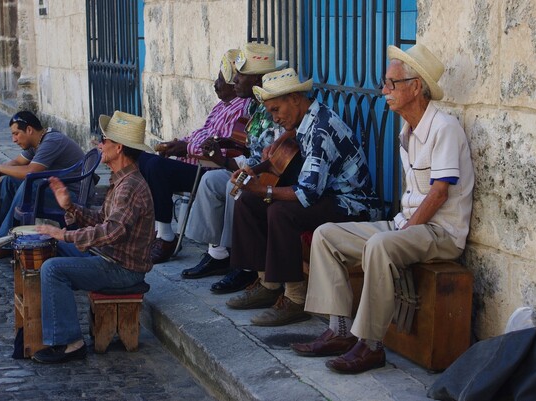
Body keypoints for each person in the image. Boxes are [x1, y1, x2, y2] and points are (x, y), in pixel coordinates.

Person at [290, 44, 474, 374]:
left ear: (416, 86)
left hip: (440, 233)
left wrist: (407, 229)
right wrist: (403, 227)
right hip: (410, 225)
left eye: (391, 83)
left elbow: (439, 194)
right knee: (326, 235)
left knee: (380, 244)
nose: (383, 90)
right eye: (384, 82)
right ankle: (340, 331)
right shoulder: (408, 131)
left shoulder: (444, 128)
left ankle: (372, 346)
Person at [222, 68, 380, 327]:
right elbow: (289, 149)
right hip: (328, 197)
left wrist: (264, 190)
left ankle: (295, 299)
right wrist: (257, 169)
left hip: (352, 204)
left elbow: (308, 193)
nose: (274, 119)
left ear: (295, 98)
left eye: (276, 110)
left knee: (280, 211)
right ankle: (268, 283)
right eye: (271, 112)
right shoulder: (306, 119)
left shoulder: (321, 130)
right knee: (248, 201)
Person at [31, 111, 155, 364]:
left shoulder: (130, 185)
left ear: (118, 148)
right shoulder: (122, 180)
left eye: (104, 140)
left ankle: (69, 342)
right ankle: (41, 327)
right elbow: (103, 220)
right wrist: (70, 208)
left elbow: (111, 232)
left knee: (53, 269)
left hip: (122, 269)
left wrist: (65, 234)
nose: (100, 145)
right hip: (109, 259)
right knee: (49, 249)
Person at [181, 43, 289, 289]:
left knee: (237, 187)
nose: (235, 80)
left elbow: (271, 160)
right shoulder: (252, 106)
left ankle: (246, 266)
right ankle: (218, 254)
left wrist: (229, 163)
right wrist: (222, 158)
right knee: (210, 181)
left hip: (273, 176)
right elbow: (251, 151)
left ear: (259, 79)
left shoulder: (274, 106)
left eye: (240, 75)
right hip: (252, 168)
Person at [138, 49, 252, 264]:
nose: (215, 84)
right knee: (141, 159)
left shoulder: (243, 108)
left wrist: (187, 148)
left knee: (157, 167)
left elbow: (228, 149)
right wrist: (177, 143)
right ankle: (154, 229)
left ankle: (166, 237)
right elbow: (201, 133)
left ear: (233, 85)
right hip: (194, 163)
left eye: (221, 80)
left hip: (211, 168)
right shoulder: (221, 107)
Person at [0, 111, 85, 260]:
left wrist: (0, 168)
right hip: (56, 191)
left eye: (16, 134)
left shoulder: (52, 141)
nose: (14, 139)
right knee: (9, 181)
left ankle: (5, 244)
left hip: (69, 196)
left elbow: (30, 171)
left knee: (28, 185)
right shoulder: (37, 142)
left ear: (29, 130)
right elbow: (16, 163)